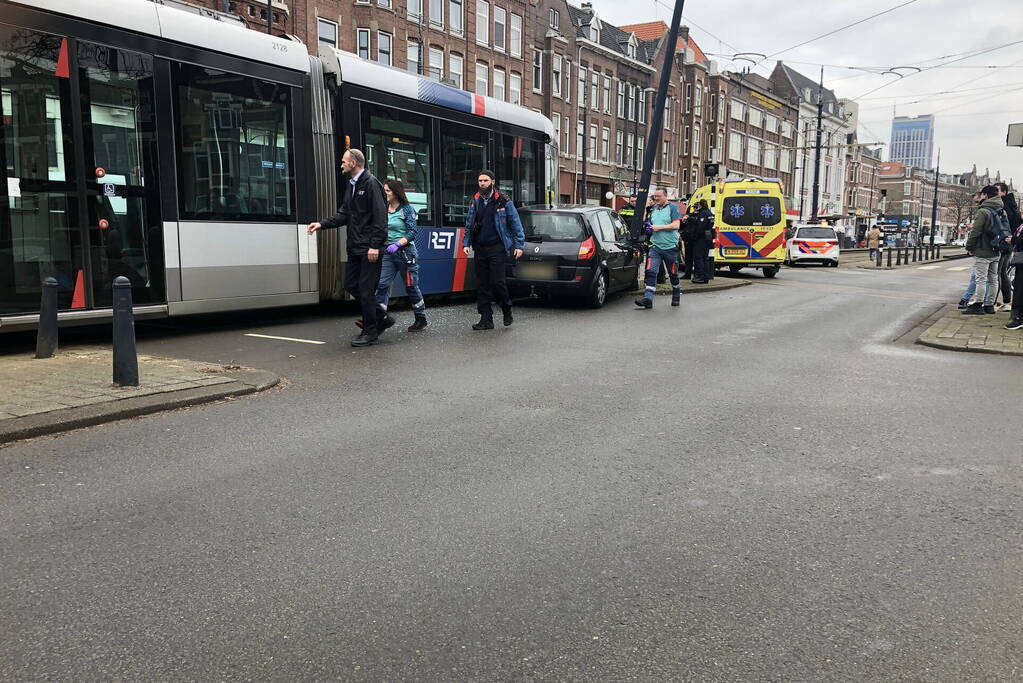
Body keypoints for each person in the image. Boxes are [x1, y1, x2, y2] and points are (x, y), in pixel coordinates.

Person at [307, 149, 387, 346]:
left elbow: (380, 217)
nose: (340, 164)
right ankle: (381, 317)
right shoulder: (352, 185)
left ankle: (370, 332)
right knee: (351, 285)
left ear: (353, 163)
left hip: (369, 248)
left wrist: (375, 245)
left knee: (366, 291)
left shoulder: (370, 184)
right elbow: (344, 214)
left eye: (343, 162)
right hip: (354, 247)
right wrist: (322, 224)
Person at [461, 170, 524, 330]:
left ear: (493, 182)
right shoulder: (475, 201)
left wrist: (519, 245)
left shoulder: (503, 201)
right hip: (480, 247)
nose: (482, 183)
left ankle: (506, 308)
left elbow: (515, 223)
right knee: (482, 284)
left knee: (497, 282)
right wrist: (466, 244)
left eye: (485, 180)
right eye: (480, 180)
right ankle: (486, 319)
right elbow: (469, 224)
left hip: (497, 247)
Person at [373, 178, 428, 332]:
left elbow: (412, 232)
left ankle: (421, 318)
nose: (385, 194)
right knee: (382, 285)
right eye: (384, 191)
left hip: (405, 253)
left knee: (411, 286)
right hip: (388, 254)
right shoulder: (383, 209)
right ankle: (379, 319)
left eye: (387, 191)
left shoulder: (407, 209)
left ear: (396, 193)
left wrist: (398, 244)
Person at [635, 187, 683, 309]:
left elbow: (676, 225)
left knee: (673, 273)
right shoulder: (654, 208)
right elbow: (648, 222)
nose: (656, 198)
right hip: (655, 246)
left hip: (670, 247)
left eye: (658, 196)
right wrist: (648, 226)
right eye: (654, 196)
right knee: (651, 271)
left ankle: (676, 293)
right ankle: (648, 299)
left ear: (665, 196)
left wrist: (658, 228)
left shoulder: (673, 208)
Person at [963, 185, 1005, 315]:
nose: (980, 197)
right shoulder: (1002, 210)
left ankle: (977, 305)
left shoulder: (983, 211)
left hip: (983, 249)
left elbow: (976, 232)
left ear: (986, 195)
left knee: (980, 279)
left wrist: (969, 247)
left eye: (981, 194)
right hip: (996, 249)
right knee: (993, 278)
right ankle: (989, 305)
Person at [995, 182, 1021, 312]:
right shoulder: (1012, 204)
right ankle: (1007, 301)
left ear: (1003, 192)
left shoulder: (1003, 205)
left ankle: (991, 302)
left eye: (997, 190)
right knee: (1003, 272)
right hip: (1010, 243)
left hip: (1004, 242)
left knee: (996, 273)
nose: (995, 193)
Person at [689, 199, 714, 284]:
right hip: (707, 238)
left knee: (698, 258)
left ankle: (700, 277)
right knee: (704, 258)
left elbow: (701, 226)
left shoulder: (703, 213)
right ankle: (705, 277)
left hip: (701, 239)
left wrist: (694, 235)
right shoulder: (709, 213)